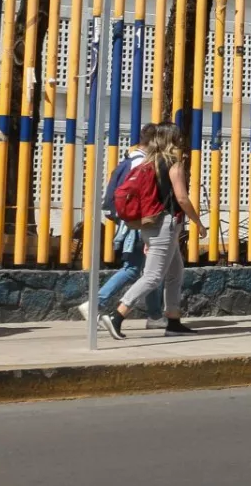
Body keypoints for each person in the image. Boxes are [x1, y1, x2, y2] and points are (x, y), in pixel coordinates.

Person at [104, 123, 202, 339]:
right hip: (165, 225)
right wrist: (198, 222)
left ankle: (173, 320)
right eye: (178, 137)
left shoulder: (150, 163)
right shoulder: (172, 165)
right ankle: (117, 315)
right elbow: (182, 199)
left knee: (175, 272)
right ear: (173, 140)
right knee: (152, 276)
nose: (181, 141)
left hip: (153, 225)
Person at [79, 123, 164, 328]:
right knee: (135, 269)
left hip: (131, 222)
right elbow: (143, 196)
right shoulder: (142, 163)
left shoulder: (129, 159)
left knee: (151, 271)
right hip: (140, 223)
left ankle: (154, 315)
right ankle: (95, 302)